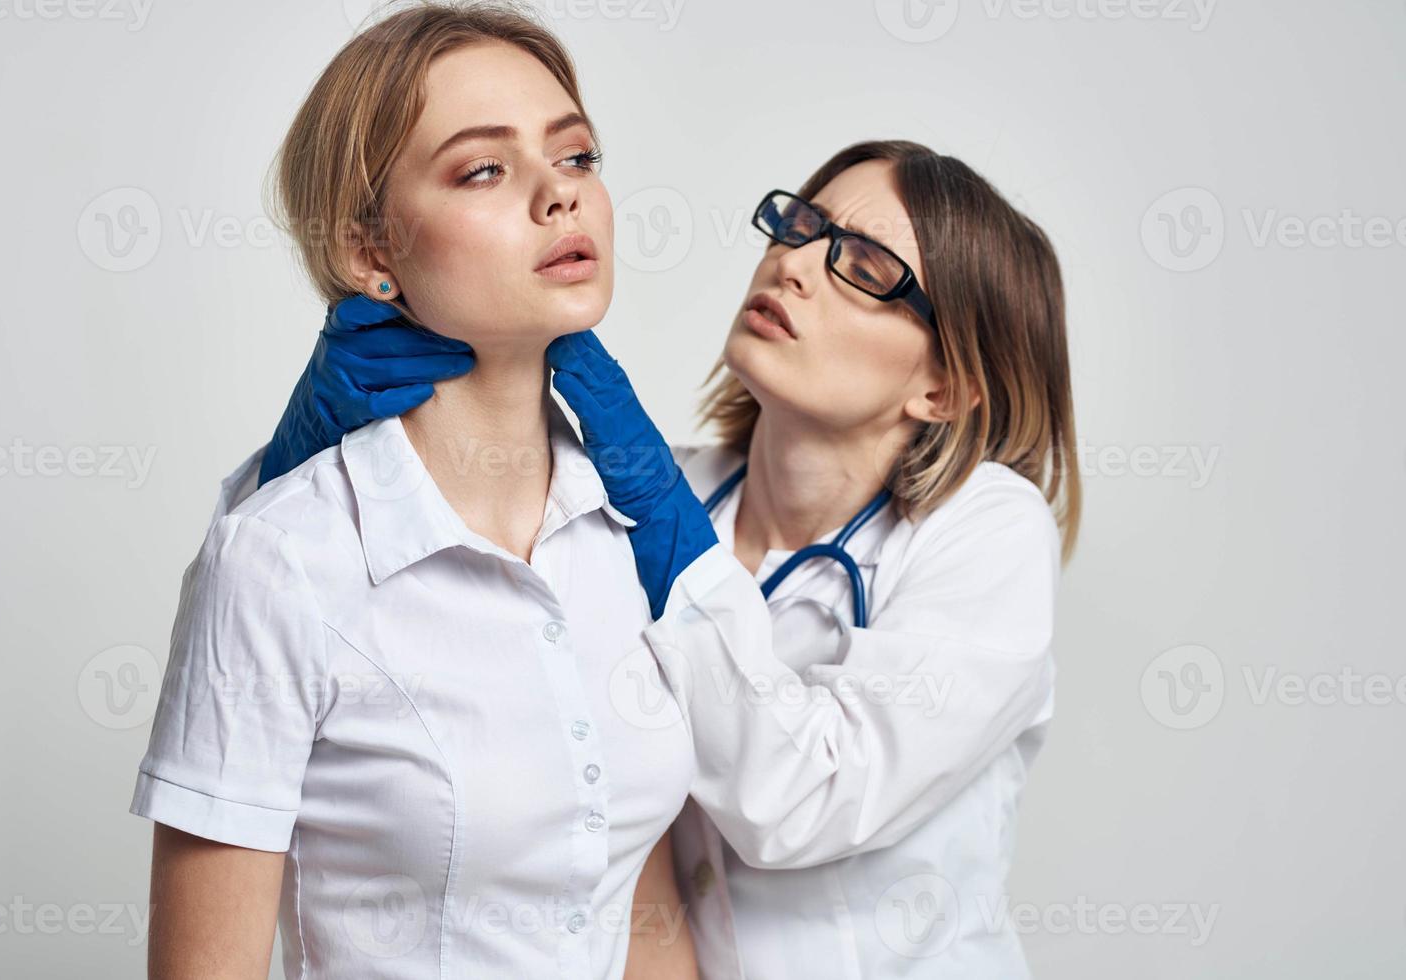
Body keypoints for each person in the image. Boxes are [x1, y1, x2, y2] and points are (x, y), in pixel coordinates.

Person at [256, 137, 1082, 978]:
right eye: (801, 225)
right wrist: (292, 467)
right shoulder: (663, 493)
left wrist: (673, 544)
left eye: (864, 268)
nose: (793, 266)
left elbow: (802, 803)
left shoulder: (986, 531)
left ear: (941, 388)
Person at [126, 5, 701, 978]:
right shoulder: (277, 560)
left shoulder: (632, 528)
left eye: (576, 157)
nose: (557, 196)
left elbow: (636, 894)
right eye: (483, 168)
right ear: (369, 253)